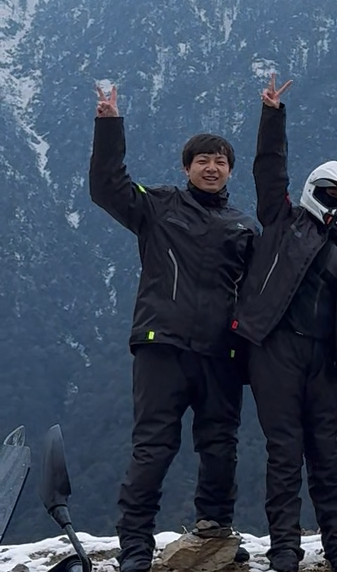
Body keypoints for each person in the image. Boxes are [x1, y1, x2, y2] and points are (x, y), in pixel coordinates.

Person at [89, 84, 255, 572]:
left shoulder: (244, 226)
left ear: (230, 170)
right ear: (187, 169)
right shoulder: (157, 206)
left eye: (220, 161)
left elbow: (262, 293)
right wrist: (109, 124)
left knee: (220, 446)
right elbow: (106, 185)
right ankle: (135, 546)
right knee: (154, 448)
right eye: (202, 160)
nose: (211, 167)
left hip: (221, 353)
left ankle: (215, 531)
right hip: (161, 346)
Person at [233, 75, 337, 572]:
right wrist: (272, 116)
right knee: (284, 454)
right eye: (334, 195)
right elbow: (268, 172)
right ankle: (285, 551)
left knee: (326, 456)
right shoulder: (281, 221)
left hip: (325, 362)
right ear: (314, 192)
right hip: (275, 351)